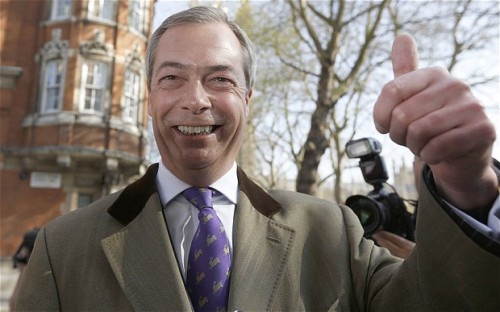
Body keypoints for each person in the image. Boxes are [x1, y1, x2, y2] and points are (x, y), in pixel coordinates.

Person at [14, 6, 500, 311]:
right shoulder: (63, 248)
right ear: (149, 96)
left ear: (248, 96)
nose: (197, 99)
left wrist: (465, 185)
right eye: (172, 78)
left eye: (220, 79)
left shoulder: (331, 232)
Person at [9, 227, 39, 311]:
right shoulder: (31, 242)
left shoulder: (30, 242)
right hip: (26, 271)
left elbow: (17, 258)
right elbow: (18, 258)